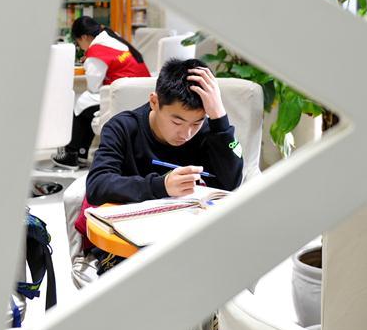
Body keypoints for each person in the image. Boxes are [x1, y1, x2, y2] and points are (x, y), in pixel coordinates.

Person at [76, 57, 244, 272]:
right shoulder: (123, 128)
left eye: (196, 122)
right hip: (130, 241)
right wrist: (161, 186)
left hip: (186, 238)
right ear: (154, 102)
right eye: (176, 121)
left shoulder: (207, 133)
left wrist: (219, 118)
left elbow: (231, 183)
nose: (186, 133)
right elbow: (97, 186)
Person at [51, 16, 151, 169]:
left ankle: (72, 154)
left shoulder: (97, 51)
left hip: (124, 97)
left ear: (84, 37)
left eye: (78, 42)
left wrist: (88, 64)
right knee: (86, 103)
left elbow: (93, 86)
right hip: (141, 95)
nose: (80, 47)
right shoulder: (112, 37)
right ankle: (81, 154)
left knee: (81, 102)